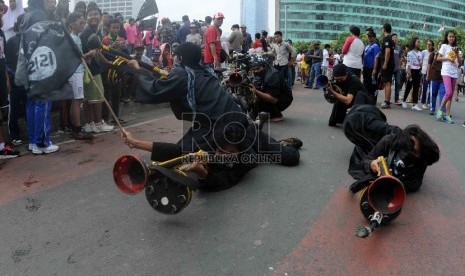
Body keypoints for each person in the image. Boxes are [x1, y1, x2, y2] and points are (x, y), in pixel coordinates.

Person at [120, 112, 301, 192]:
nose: (219, 153)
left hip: (256, 141)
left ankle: (284, 142)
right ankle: (256, 120)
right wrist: (135, 143)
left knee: (290, 157)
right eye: (218, 149)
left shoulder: (247, 160)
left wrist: (203, 173)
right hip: (236, 128)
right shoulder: (212, 143)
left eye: (226, 152)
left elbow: (225, 180)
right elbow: (176, 150)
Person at [128, 42, 243, 152]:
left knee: (178, 154)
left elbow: (155, 90)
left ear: (181, 58)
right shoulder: (205, 72)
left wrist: (137, 70)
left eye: (175, 56)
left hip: (219, 128)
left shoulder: (183, 75)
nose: (174, 59)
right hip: (237, 120)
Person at [343, 104, 440, 193]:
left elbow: (415, 184)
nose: (417, 155)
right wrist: (371, 164)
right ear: (403, 145)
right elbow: (366, 161)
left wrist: (394, 182)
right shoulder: (388, 141)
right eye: (413, 151)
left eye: (418, 153)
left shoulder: (422, 158)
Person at [250, 56, 293, 122]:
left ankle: (277, 115)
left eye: (258, 69)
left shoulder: (273, 75)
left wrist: (255, 91)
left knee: (260, 97)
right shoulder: (263, 73)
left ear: (264, 66)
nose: (256, 71)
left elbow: (273, 99)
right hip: (272, 93)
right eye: (253, 70)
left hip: (283, 98)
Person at [436, 30, 462, 124]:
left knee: (450, 96)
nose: (451, 38)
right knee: (449, 92)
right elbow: (438, 58)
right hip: (446, 71)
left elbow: (459, 64)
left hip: (454, 73)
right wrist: (448, 58)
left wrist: (457, 55)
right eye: (450, 36)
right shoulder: (444, 46)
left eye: (453, 37)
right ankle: (440, 111)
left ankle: (447, 115)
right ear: (447, 37)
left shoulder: (457, 49)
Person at [374, 23, 395, 109]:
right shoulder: (391, 39)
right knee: (387, 82)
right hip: (390, 64)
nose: (381, 30)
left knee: (387, 82)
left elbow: (387, 52)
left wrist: (385, 63)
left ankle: (387, 102)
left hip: (388, 64)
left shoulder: (387, 39)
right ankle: (387, 101)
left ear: (384, 29)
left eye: (382, 29)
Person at [402, 37, 423, 111]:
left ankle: (415, 104)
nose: (419, 43)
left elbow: (421, 63)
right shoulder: (410, 53)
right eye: (418, 42)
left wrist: (421, 69)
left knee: (416, 88)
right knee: (408, 87)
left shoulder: (420, 53)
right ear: (414, 43)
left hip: (418, 71)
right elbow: (408, 63)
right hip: (411, 71)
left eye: (419, 42)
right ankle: (404, 101)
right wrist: (409, 73)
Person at [362, 31, 380, 102]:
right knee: (366, 84)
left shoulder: (376, 46)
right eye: (368, 36)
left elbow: (376, 58)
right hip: (366, 68)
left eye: (371, 36)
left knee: (373, 86)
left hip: (372, 68)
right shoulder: (367, 46)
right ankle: (367, 100)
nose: (369, 37)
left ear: (374, 38)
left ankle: (373, 101)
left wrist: (375, 70)